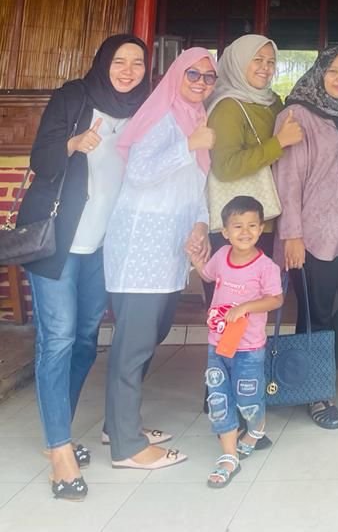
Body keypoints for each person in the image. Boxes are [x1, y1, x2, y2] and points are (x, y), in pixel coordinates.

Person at [20, 34, 149, 500]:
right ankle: (59, 451)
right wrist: (73, 143)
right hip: (56, 241)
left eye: (137, 63)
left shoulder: (142, 110)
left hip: (102, 246)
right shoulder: (74, 96)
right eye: (120, 61)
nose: (128, 70)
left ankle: (61, 430)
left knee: (85, 339)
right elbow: (41, 160)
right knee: (57, 338)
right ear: (103, 62)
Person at [103, 47, 218, 471]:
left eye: (208, 77)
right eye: (193, 74)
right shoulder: (160, 115)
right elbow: (139, 173)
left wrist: (201, 225)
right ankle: (127, 447)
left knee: (153, 335)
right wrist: (189, 145)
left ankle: (117, 425)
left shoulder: (196, 119)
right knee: (133, 346)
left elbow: (196, 184)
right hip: (140, 248)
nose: (201, 82)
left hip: (169, 252)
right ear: (176, 74)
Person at [203, 34, 300, 447]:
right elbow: (225, 167)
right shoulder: (227, 106)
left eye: (270, 61)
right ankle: (223, 403)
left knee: (253, 313)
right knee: (229, 315)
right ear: (236, 62)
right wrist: (280, 144)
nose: (264, 67)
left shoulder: (272, 103)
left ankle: (245, 401)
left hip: (262, 221)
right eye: (256, 60)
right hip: (234, 228)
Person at [273, 45, 338, 430]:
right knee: (316, 313)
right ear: (319, 72)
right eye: (333, 71)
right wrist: (292, 234)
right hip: (311, 233)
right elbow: (288, 178)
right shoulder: (297, 114)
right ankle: (316, 393)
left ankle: (322, 369)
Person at [190, 195, 283, 489]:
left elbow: (275, 299)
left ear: (261, 229)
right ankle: (229, 456)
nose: (245, 231)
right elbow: (208, 274)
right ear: (225, 232)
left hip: (249, 349)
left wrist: (245, 307)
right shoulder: (221, 256)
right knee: (219, 399)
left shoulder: (266, 267)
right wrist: (196, 261)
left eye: (252, 225)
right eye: (238, 226)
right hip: (218, 345)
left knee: (248, 401)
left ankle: (256, 429)